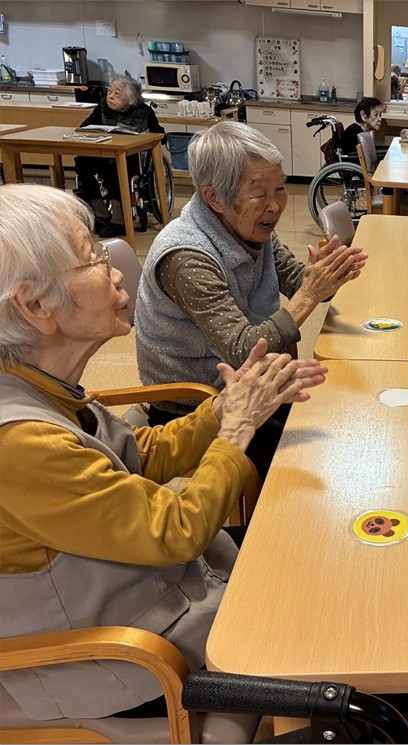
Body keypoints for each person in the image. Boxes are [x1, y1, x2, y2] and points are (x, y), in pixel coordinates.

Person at [0, 182, 327, 721]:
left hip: (148, 594)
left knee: (309, 548)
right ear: (36, 304)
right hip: (122, 660)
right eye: (93, 258)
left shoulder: (38, 383)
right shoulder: (19, 443)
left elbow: (132, 453)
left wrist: (223, 409)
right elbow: (175, 532)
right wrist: (236, 431)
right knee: (354, 670)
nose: (117, 272)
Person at [135, 121, 366, 479]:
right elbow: (243, 350)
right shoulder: (185, 256)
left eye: (280, 188)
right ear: (215, 198)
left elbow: (297, 280)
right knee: (309, 462)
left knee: (341, 418)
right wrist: (310, 292)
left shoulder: (249, 227)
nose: (275, 206)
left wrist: (325, 275)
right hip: (196, 406)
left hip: (252, 382)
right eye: (260, 194)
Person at [73, 75, 167, 238]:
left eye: (117, 94)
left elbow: (161, 136)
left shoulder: (144, 112)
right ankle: (99, 209)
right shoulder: (102, 108)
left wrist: (143, 138)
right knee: (82, 161)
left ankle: (119, 218)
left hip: (130, 157)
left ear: (131, 99)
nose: (110, 96)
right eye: (109, 91)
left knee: (115, 168)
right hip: (104, 153)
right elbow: (84, 127)